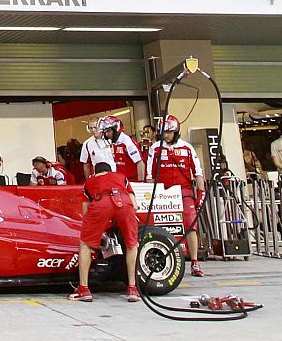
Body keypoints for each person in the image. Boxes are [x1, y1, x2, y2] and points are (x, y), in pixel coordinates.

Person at [70, 163, 140, 303]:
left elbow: (85, 212)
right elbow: (135, 204)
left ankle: (84, 289)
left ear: (95, 172)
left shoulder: (89, 182)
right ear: (110, 170)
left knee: (85, 244)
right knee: (132, 244)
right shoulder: (121, 177)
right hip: (124, 202)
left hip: (100, 203)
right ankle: (133, 288)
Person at [146, 115, 203, 276]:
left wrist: (201, 192)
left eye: (170, 132)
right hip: (162, 194)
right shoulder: (155, 148)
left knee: (191, 224)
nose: (166, 136)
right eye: (164, 133)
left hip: (184, 192)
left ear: (176, 131)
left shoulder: (187, 148)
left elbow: (198, 172)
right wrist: (151, 195)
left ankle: (194, 262)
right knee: (159, 226)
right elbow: (149, 175)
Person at [82, 114, 143, 182]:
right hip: (116, 179)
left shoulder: (126, 141)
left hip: (129, 180)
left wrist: (141, 182)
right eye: (90, 128)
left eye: (108, 131)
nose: (107, 134)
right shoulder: (87, 144)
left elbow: (139, 162)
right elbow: (86, 164)